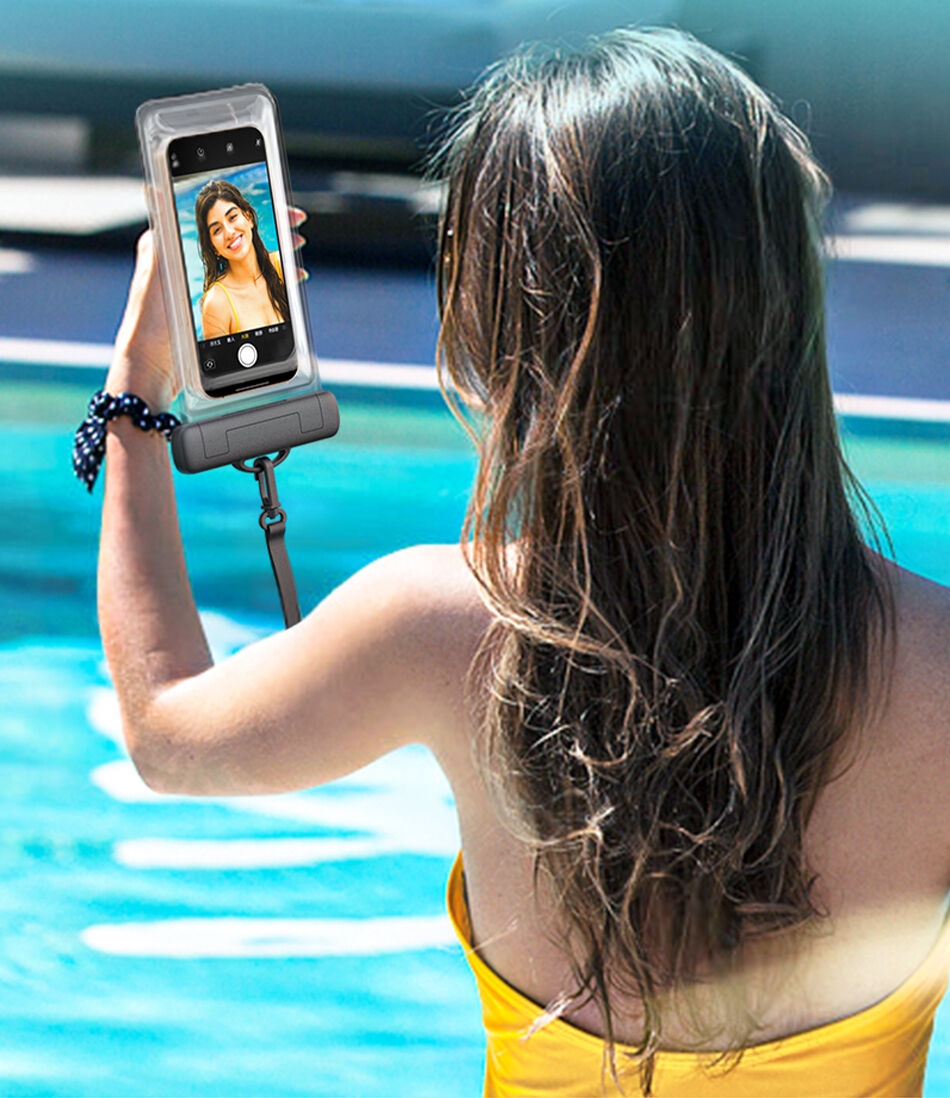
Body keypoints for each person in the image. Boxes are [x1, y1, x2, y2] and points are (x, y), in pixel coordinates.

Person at [93, 28, 950, 1097]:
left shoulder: (434, 627)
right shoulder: (938, 664)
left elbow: (166, 737)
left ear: (501, 317)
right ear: (786, 296)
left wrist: (136, 389)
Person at [195, 179, 288, 338]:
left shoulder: (282, 266)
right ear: (213, 247)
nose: (229, 232)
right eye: (217, 230)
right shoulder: (217, 303)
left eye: (232, 217)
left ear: (249, 218)